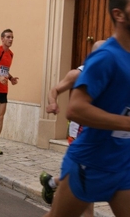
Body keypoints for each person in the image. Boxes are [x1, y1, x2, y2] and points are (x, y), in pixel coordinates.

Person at [44, 0, 130, 217]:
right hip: (91, 163)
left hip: (122, 163)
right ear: (118, 14)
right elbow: (76, 109)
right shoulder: (105, 57)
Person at [40, 40, 105, 216]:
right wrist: (53, 103)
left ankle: (52, 182)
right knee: (87, 183)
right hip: (80, 134)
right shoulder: (79, 74)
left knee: (87, 181)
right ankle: (53, 184)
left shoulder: (110, 74)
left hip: (100, 135)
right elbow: (55, 89)